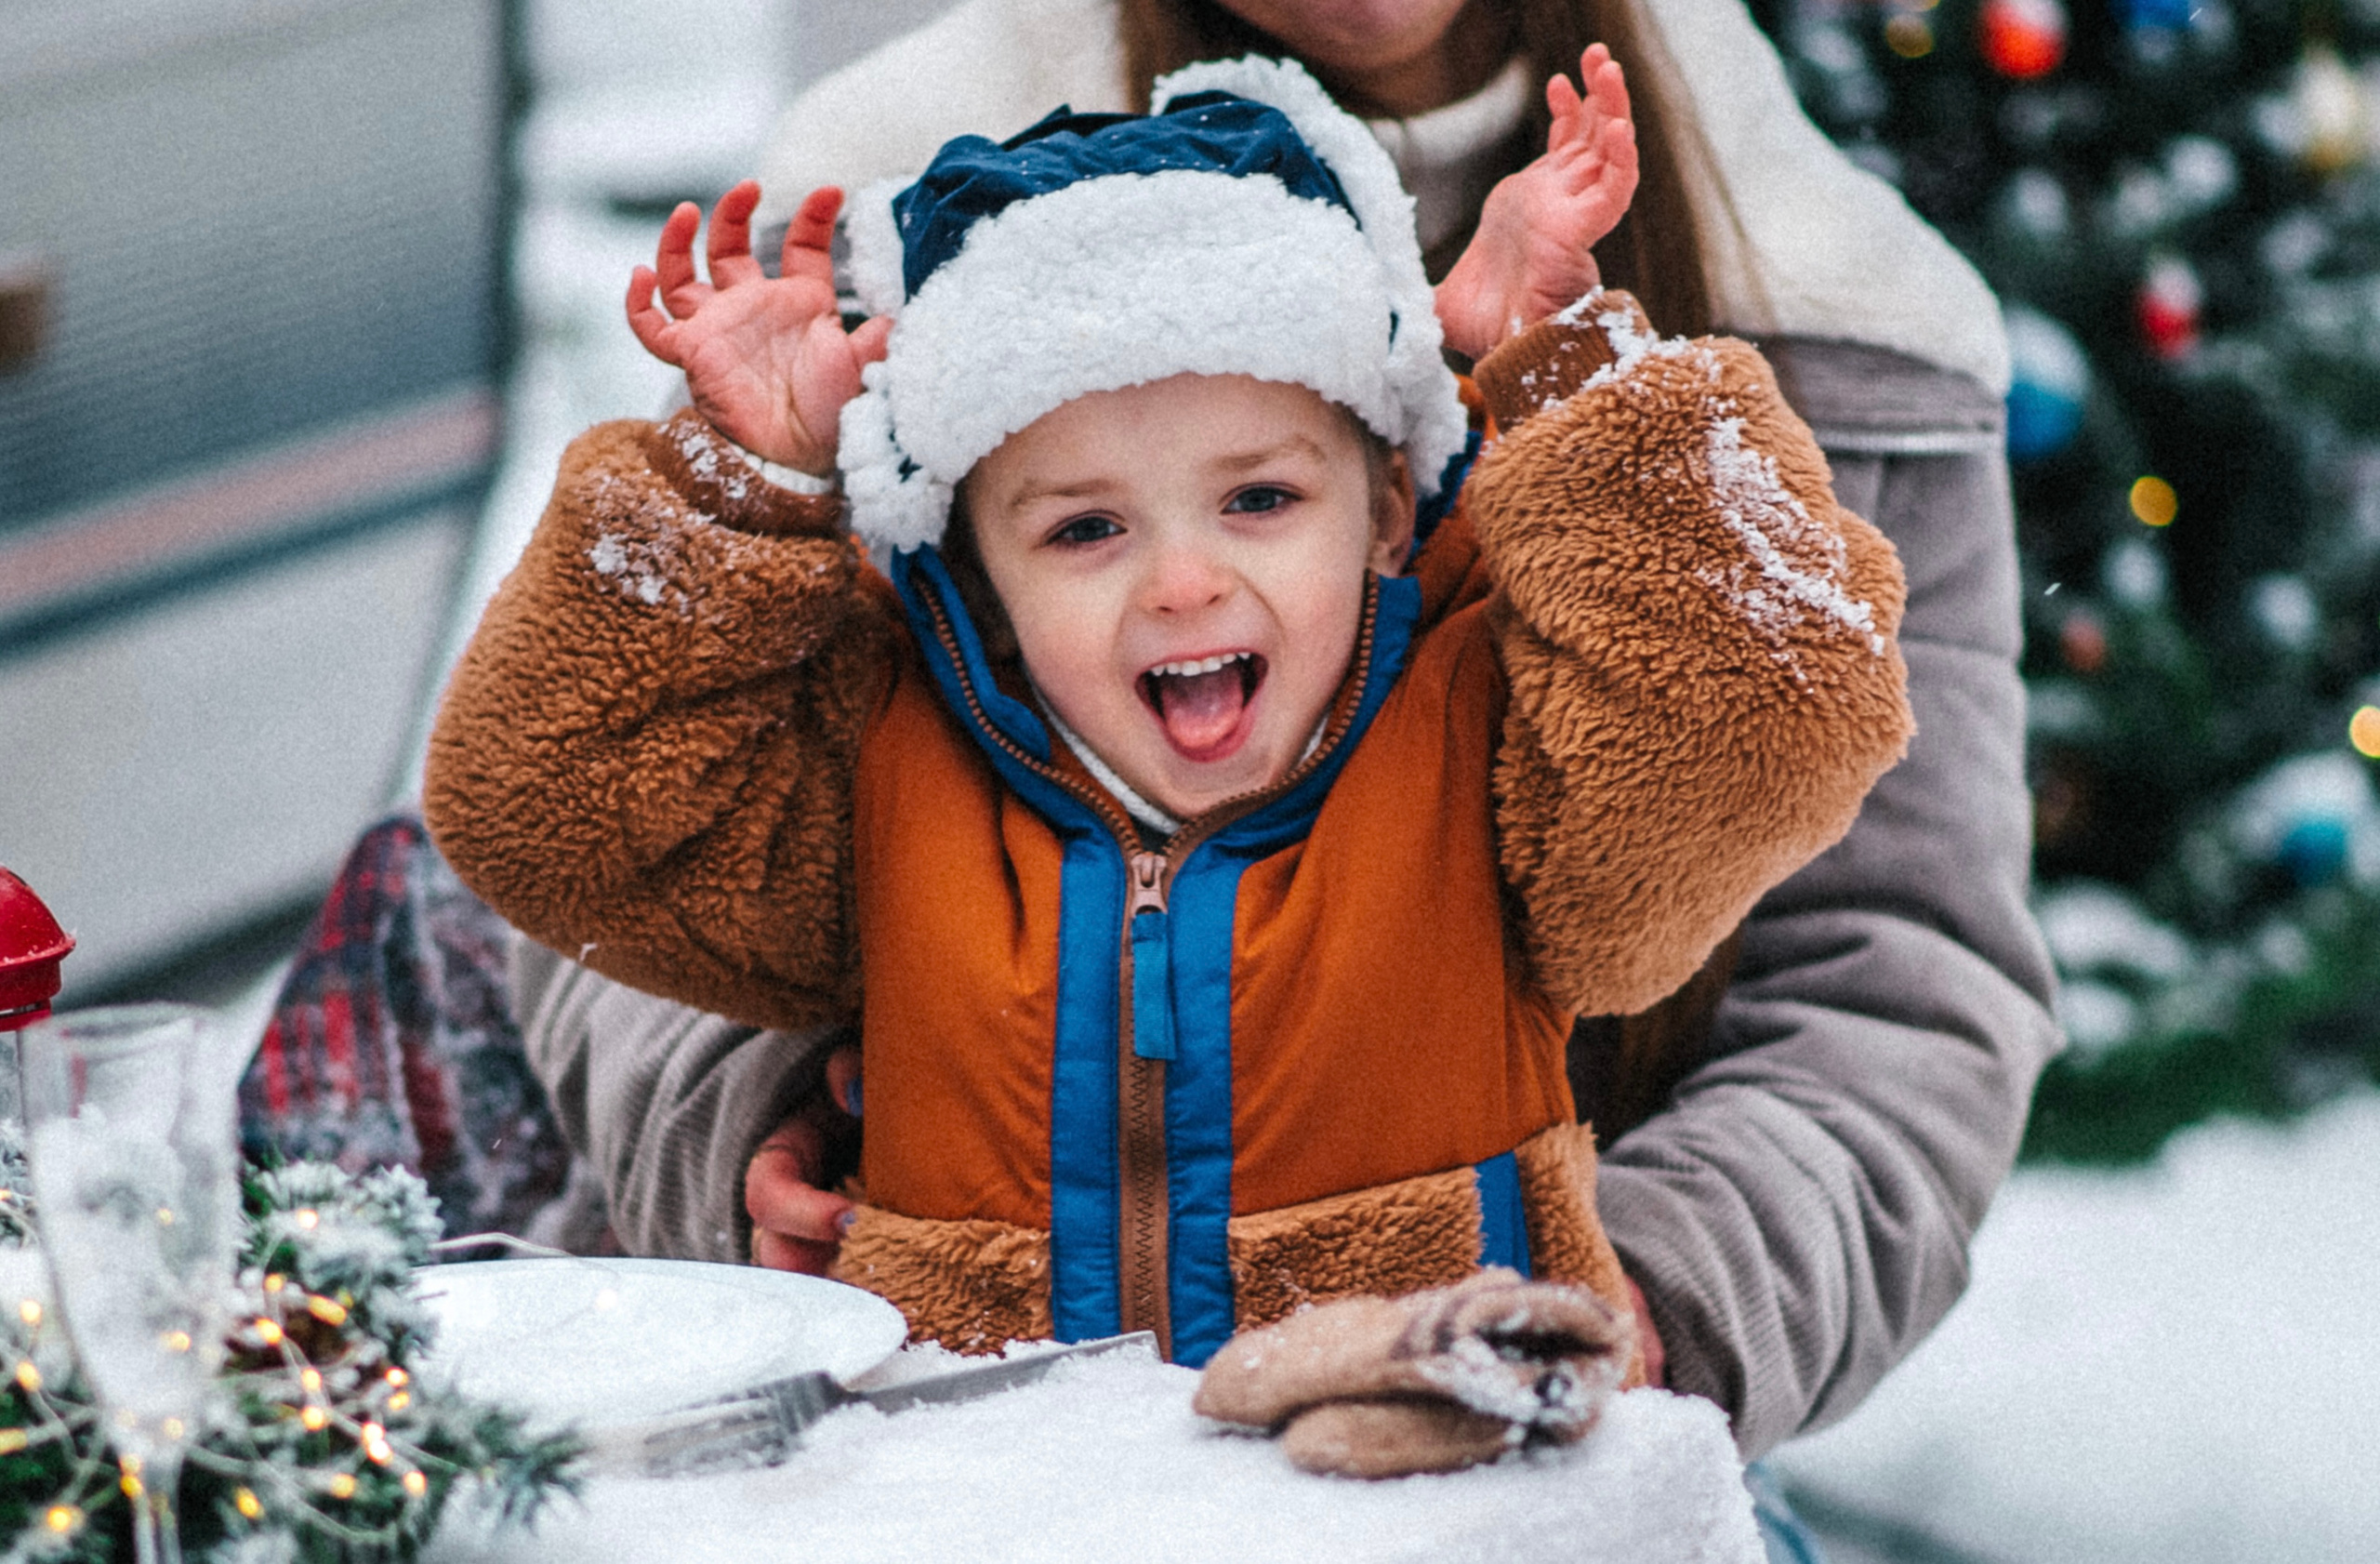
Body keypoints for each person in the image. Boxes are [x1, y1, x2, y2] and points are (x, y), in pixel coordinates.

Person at [513, 0, 2059, 1465]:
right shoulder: (862, 239)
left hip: (1489, 1443)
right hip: (956, 1457)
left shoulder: (1840, 324)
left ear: (1390, 507)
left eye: (1262, 498)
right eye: (1086, 527)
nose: (1184, 581)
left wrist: (1620, 1319)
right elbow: (618, 805)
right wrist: (747, 1141)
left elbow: (1890, 982)